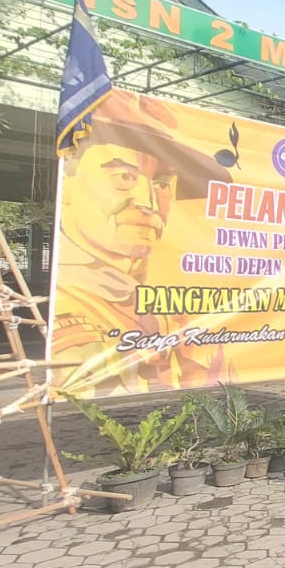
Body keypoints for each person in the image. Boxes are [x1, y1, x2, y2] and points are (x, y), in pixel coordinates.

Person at [50, 90, 231, 395]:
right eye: (124, 177)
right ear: (68, 184)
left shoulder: (169, 307)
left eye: (161, 183)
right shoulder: (72, 310)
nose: (148, 202)